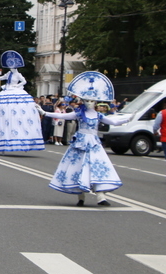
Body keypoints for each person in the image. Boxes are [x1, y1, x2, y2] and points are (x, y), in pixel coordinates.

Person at [37, 71, 130, 206]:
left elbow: (113, 122)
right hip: (80, 143)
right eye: (86, 100)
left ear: (96, 102)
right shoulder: (79, 114)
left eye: (92, 101)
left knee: (96, 167)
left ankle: (100, 196)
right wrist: (45, 112)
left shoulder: (98, 115)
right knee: (78, 168)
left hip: (93, 143)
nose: (89, 103)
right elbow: (64, 116)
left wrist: (128, 118)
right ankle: (81, 197)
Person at [0, 51, 44, 153]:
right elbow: (3, 77)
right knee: (1, 108)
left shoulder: (18, 74)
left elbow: (24, 81)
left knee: (20, 109)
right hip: (7, 90)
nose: (10, 68)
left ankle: (23, 136)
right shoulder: (9, 73)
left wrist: (18, 86)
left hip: (15, 89)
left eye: (12, 66)